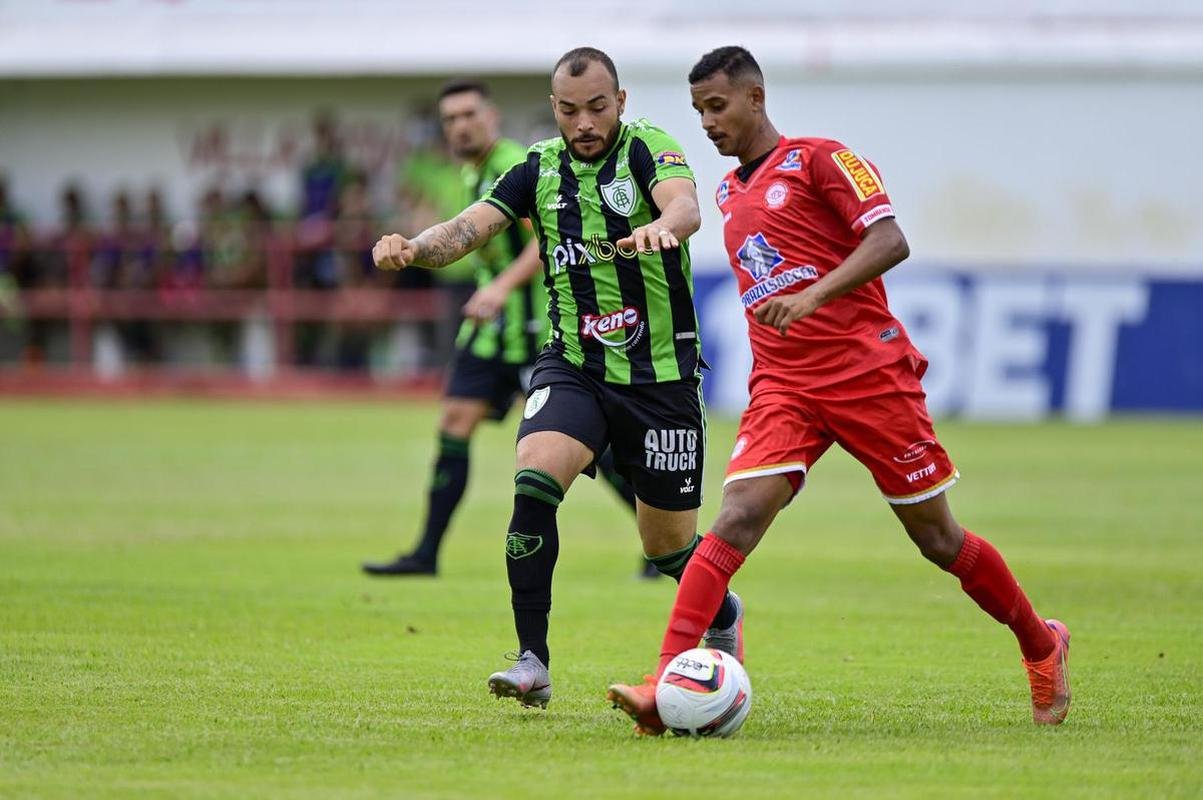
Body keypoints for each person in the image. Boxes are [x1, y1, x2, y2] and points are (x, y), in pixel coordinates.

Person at [606, 46, 1070, 734]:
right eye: (697, 109)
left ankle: (1040, 643)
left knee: (938, 539)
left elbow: (889, 241)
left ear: (755, 98)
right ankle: (664, 678)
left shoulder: (821, 159)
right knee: (735, 519)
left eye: (717, 105)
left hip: (867, 377)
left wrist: (811, 296)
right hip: (785, 386)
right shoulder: (731, 194)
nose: (706, 122)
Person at [372, 48, 743, 709]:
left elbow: (685, 208)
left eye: (597, 108)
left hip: (660, 378)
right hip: (572, 363)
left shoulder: (648, 148)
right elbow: (467, 229)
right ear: (554, 110)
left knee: (666, 551)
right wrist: (413, 248)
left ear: (620, 102)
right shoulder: (536, 167)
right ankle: (531, 661)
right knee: (534, 479)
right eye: (570, 111)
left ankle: (722, 611)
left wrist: (662, 228)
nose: (584, 123)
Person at [362, 79, 647, 577]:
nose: (460, 126)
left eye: (469, 114)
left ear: (491, 117)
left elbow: (548, 243)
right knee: (454, 423)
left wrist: (500, 288)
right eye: (450, 119)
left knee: (584, 449)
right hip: (491, 333)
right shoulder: (474, 173)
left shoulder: (518, 164)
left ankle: (660, 540)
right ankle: (426, 553)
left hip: (536, 332)